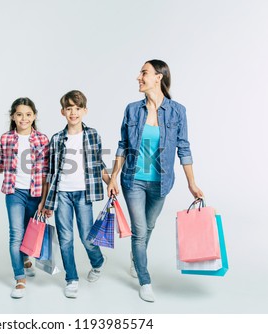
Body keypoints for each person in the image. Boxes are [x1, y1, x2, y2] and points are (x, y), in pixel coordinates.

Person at [107, 59, 203, 302]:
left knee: (149, 227)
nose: (138, 77)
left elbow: (184, 148)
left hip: (161, 182)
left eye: (144, 73)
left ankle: (136, 257)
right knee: (139, 231)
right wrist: (113, 176)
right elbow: (122, 146)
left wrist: (192, 183)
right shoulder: (132, 109)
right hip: (133, 180)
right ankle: (144, 278)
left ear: (159, 77)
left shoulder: (177, 111)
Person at [43, 90, 110, 298]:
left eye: (78, 108)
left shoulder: (92, 135)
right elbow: (50, 172)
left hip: (84, 193)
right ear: (63, 111)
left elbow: (99, 164)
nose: (73, 112)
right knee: (65, 238)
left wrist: (111, 182)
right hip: (61, 194)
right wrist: (45, 201)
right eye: (69, 108)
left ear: (85, 111)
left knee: (87, 236)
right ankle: (71, 278)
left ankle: (97, 262)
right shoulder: (56, 139)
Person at [0, 97, 49, 299]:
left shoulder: (42, 140)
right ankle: (20, 278)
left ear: (34, 116)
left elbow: (47, 174)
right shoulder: (6, 139)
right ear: (13, 116)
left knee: (31, 231)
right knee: (15, 236)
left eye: (28, 114)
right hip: (14, 193)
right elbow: (1, 166)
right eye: (19, 114)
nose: (24, 118)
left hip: (36, 194)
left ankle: (26, 259)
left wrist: (44, 201)